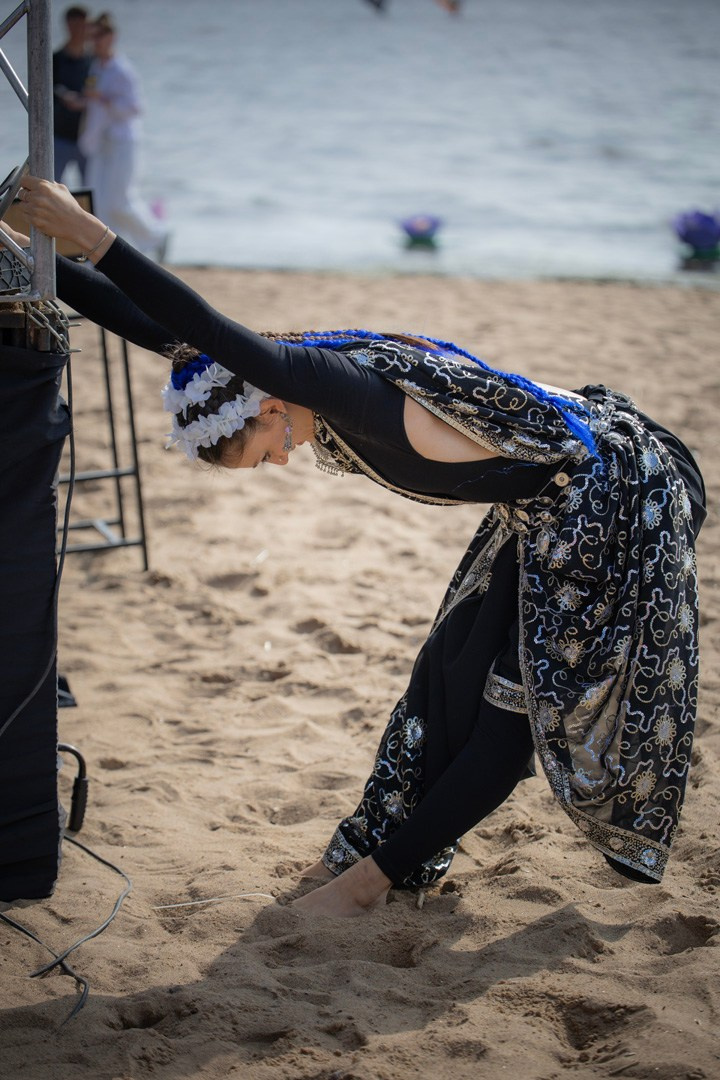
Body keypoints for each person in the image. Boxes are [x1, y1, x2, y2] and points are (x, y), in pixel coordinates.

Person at [10, 177, 706, 918]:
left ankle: (371, 882)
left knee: (512, 709)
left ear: (271, 405)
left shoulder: (334, 387)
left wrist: (93, 235)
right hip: (542, 504)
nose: (282, 462)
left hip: (615, 499)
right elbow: (170, 335)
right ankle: (382, 854)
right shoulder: (275, 382)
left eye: (265, 451)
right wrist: (31, 257)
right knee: (448, 671)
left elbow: (210, 328)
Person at [79, 14, 168, 259]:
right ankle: (105, 255)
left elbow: (137, 108)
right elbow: (93, 105)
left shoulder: (123, 69)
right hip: (100, 142)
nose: (94, 42)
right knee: (100, 202)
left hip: (123, 141)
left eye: (99, 36)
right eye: (92, 36)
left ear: (111, 38)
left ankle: (157, 235)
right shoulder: (96, 66)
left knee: (121, 201)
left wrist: (106, 100)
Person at [52, 5, 92, 185]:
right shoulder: (56, 58)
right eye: (74, 25)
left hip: (89, 137)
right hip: (61, 136)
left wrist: (86, 101)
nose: (78, 30)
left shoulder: (94, 60)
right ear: (67, 26)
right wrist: (64, 96)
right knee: (52, 186)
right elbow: (48, 89)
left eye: (82, 25)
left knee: (92, 192)